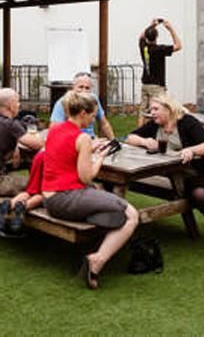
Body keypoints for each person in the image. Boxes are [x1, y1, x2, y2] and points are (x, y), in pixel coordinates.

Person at [127, 92, 204, 251]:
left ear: (168, 109)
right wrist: (144, 141)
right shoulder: (155, 125)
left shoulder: (187, 122)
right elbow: (130, 137)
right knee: (199, 196)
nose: (152, 113)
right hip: (189, 173)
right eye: (151, 109)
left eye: (155, 109)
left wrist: (192, 150)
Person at [42, 91, 139, 289]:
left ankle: (105, 226)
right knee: (132, 214)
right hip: (66, 197)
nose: (94, 119)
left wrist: (88, 152)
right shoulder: (82, 139)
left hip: (49, 197)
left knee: (110, 206)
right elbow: (86, 177)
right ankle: (97, 260)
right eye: (93, 115)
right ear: (83, 113)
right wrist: (100, 158)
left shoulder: (54, 130)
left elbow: (65, 157)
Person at [0, 88, 44, 198]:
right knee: (39, 184)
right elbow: (38, 144)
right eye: (17, 101)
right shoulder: (10, 125)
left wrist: (16, 148)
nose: (19, 105)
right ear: (10, 106)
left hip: (6, 164)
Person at [138, 18, 182, 126]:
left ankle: (139, 133)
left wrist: (151, 26)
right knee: (159, 110)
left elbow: (141, 37)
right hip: (157, 86)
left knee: (143, 113)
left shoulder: (144, 47)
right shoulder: (159, 49)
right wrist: (170, 28)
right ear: (156, 37)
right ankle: (158, 132)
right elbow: (178, 46)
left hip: (145, 84)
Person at [50, 71, 114, 140]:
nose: (84, 91)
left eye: (87, 88)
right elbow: (54, 129)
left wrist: (113, 140)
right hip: (72, 140)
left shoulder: (94, 100)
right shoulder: (62, 103)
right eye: (80, 87)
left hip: (91, 138)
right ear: (73, 87)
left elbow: (104, 124)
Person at [0, 151, 45, 237]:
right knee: (43, 194)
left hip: (40, 156)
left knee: (31, 191)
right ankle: (23, 205)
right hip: (51, 159)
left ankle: (10, 203)